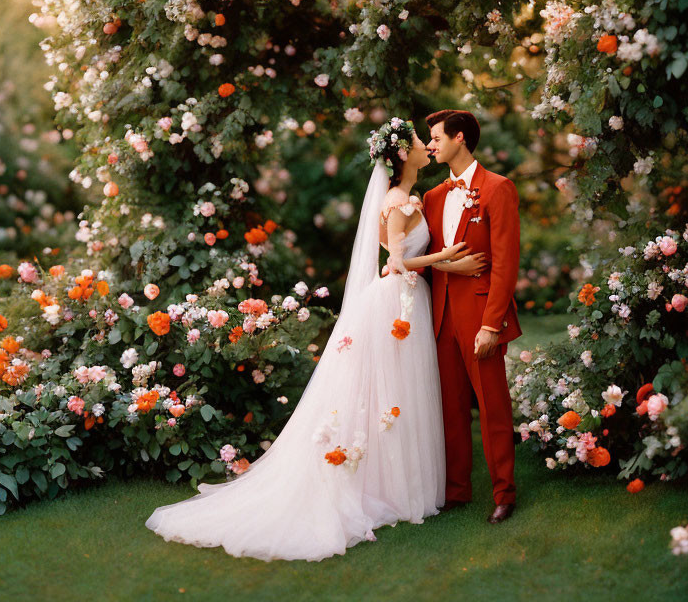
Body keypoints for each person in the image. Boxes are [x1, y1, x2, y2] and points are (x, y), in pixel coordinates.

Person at [145, 118, 479, 561]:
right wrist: (447, 259)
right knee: (393, 391)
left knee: (400, 392)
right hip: (399, 299)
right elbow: (398, 261)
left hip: (408, 302)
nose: (426, 146)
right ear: (403, 154)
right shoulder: (397, 200)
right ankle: (394, 488)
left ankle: (403, 483)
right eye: (420, 141)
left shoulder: (407, 198)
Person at [422, 109, 522, 525]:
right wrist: (448, 267)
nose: (430, 145)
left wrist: (490, 324)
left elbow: (505, 263)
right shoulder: (431, 197)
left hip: (480, 315)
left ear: (459, 138)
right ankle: (457, 490)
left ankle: (504, 493)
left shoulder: (498, 189)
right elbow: (420, 261)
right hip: (440, 316)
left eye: (436, 138)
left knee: (493, 407)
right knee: (450, 407)